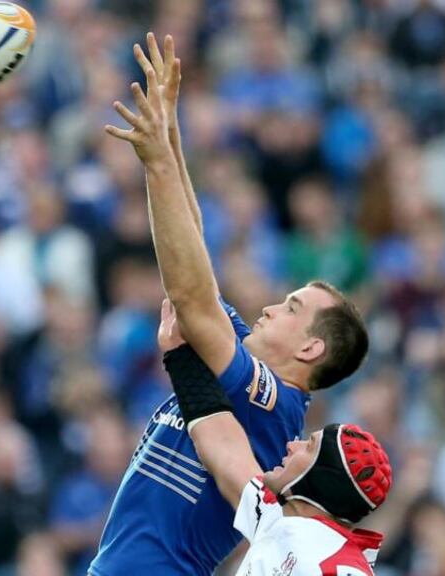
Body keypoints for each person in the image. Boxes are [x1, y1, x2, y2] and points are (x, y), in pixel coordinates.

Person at [90, 34, 369, 575]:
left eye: (291, 308)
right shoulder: (242, 369)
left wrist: (158, 166)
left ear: (311, 347)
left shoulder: (274, 402)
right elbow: (193, 262)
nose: (270, 308)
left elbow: (190, 298)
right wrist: (168, 136)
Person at [158, 300, 391, 574]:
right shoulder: (272, 516)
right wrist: (179, 355)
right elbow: (219, 442)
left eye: (309, 446)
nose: (292, 445)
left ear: (324, 480)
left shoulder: (342, 568)